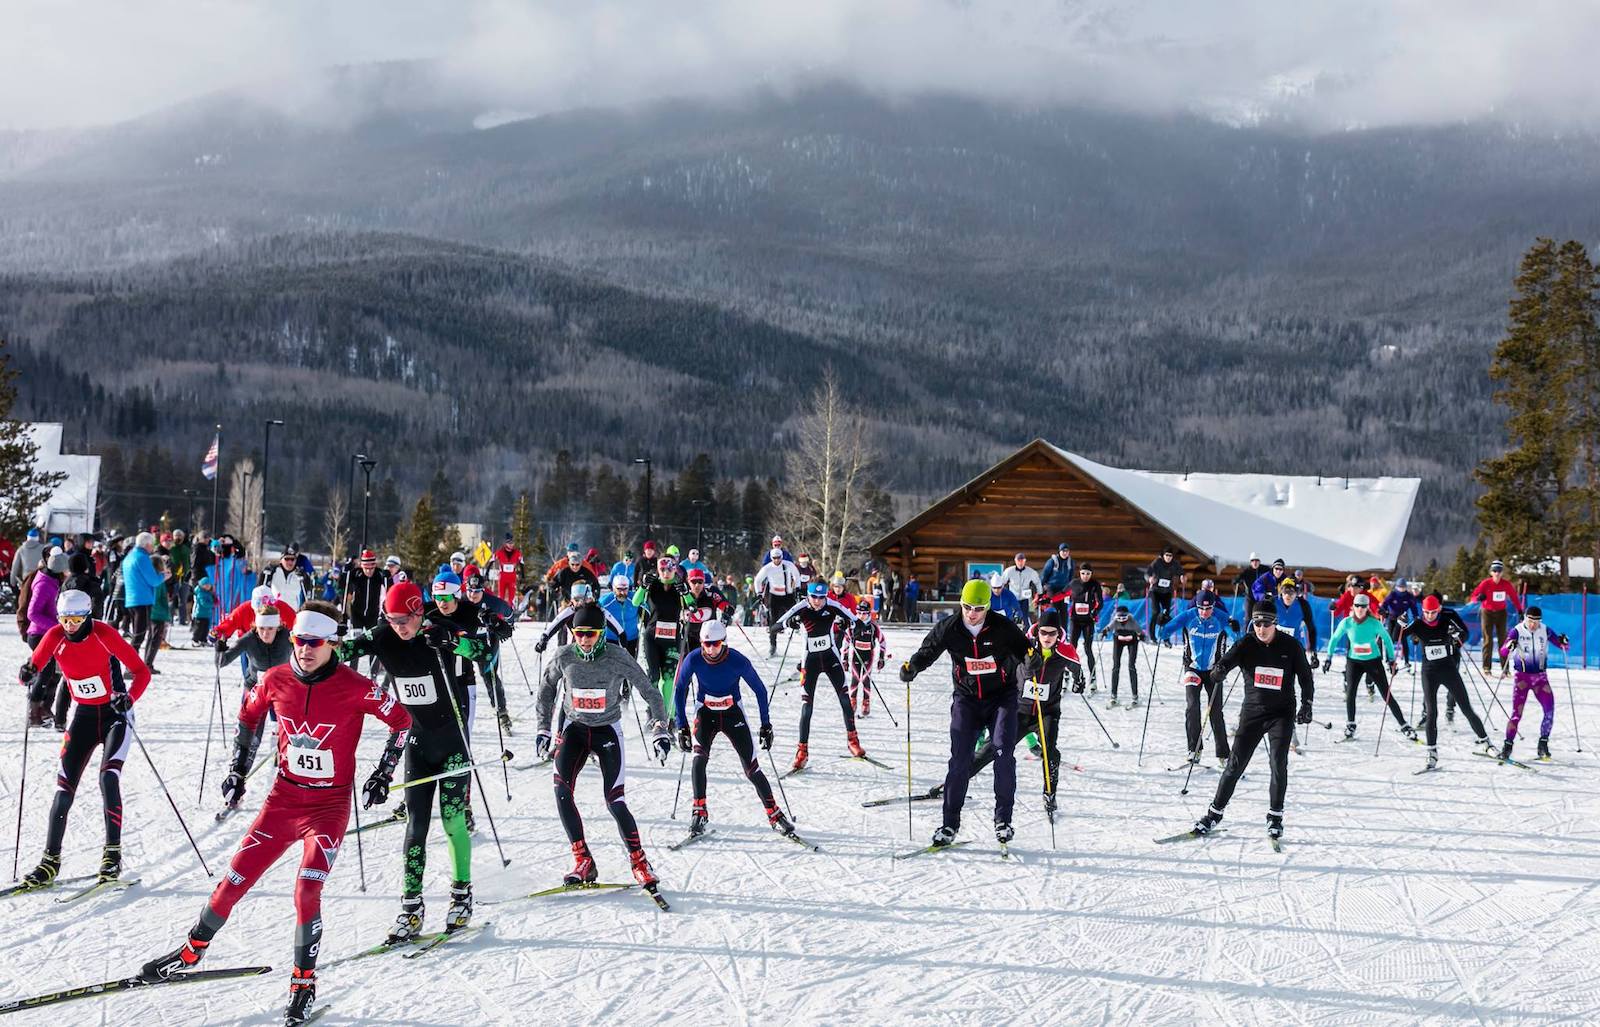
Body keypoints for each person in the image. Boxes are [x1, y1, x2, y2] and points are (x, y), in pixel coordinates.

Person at [141, 602, 410, 1026]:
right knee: (234, 879)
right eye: (299, 640)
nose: (304, 649)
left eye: (315, 642)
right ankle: (191, 952)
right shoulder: (274, 679)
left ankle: (303, 984)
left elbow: (402, 720)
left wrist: (383, 772)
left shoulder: (354, 686)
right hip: (282, 803)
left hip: (327, 809)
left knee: (306, 891)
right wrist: (237, 769)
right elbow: (248, 716)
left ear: (333, 643)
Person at [335, 582, 490, 945]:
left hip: (452, 742)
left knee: (453, 820)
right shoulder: (383, 636)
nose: (399, 627)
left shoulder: (441, 631)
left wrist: (455, 643)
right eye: (392, 620)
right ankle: (411, 907)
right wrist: (321, 648)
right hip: (417, 744)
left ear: (419, 613)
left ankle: (461, 895)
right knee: (415, 825)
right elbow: (343, 651)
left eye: (405, 620)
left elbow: (482, 651)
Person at [17, 589, 151, 889]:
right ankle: (50, 861)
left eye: (77, 619)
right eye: (65, 619)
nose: (71, 626)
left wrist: (129, 699)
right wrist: (26, 674)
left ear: (88, 615)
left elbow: (141, 672)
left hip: (116, 716)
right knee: (64, 786)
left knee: (108, 778)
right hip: (85, 717)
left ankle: (112, 855)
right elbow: (33, 666)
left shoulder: (104, 633)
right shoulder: (54, 635)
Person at [536, 604, 671, 888]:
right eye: (579, 633)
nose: (584, 640)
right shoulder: (564, 656)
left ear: (602, 633)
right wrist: (544, 728)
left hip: (607, 730)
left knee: (615, 800)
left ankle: (640, 862)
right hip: (575, 729)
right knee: (561, 791)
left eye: (591, 634)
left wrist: (660, 727)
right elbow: (547, 689)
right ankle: (583, 860)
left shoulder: (617, 657)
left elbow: (650, 691)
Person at [898, 577, 1032, 848]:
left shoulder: (1002, 627)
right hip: (967, 700)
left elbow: (1025, 650)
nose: (972, 614)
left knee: (1003, 753)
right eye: (968, 607)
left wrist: (1033, 657)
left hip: (1001, 698)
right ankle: (949, 824)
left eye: (979, 609)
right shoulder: (950, 627)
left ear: (987, 607)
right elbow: (928, 651)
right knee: (960, 760)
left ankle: (1003, 819)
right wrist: (912, 667)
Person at [1189, 601, 1314, 841]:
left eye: (1266, 623)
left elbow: (1306, 679)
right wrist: (1219, 670)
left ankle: (1275, 817)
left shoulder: (1291, 645)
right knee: (1235, 764)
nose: (1261, 628)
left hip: (1281, 713)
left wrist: (1307, 703)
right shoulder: (1246, 643)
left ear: (1275, 623)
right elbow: (1226, 661)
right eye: (1257, 623)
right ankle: (1214, 814)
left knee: (1278, 763)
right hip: (1253, 713)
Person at [940, 609, 1085, 813]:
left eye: (1052, 633)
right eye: (1043, 632)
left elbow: (1077, 669)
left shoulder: (1065, 651)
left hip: (1047, 712)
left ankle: (1049, 794)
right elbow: (999, 660)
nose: (1047, 637)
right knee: (991, 749)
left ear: (1058, 633)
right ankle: (953, 783)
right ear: (1037, 632)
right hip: (1019, 711)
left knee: (1050, 752)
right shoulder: (1023, 645)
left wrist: (1080, 683)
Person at [674, 619, 792, 836]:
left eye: (716, 644)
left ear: (724, 642)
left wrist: (766, 725)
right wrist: (681, 725)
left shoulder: (737, 661)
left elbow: (760, 691)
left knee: (751, 768)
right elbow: (679, 689)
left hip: (732, 714)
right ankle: (699, 812)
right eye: (706, 644)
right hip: (705, 713)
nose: (710, 649)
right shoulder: (694, 659)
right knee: (699, 759)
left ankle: (774, 813)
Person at [775, 581, 866, 769]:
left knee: (845, 700)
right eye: (813, 597)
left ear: (826, 596)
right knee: (807, 706)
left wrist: (847, 624)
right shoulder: (801, 607)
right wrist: (788, 623)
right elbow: (776, 625)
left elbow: (858, 624)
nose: (817, 601)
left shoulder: (833, 605)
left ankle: (853, 741)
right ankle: (802, 751)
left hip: (831, 659)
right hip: (810, 662)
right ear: (808, 596)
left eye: (821, 597)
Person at [1397, 595, 1492, 769]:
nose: (1430, 615)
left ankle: (1486, 743)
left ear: (1438, 610)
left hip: (1448, 669)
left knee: (1466, 708)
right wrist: (1400, 625)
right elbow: (1398, 636)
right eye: (1426, 612)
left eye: (1433, 612)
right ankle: (1432, 752)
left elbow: (1463, 637)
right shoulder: (1418, 623)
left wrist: (1457, 636)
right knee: (1432, 712)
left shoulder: (1447, 620)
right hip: (1429, 672)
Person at [216, 602, 294, 810]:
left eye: (270, 629)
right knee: (249, 739)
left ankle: (292, 787)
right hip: (256, 692)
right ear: (255, 627)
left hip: (282, 692)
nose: (266, 634)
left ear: (277, 627)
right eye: (261, 629)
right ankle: (236, 783)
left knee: (291, 735)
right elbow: (222, 662)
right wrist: (220, 649)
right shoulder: (249, 639)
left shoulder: (288, 637)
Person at [1323, 594, 1413, 741]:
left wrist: (1391, 660)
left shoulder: (1374, 623)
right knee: (1350, 693)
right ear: (1353, 606)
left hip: (1373, 661)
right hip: (1354, 662)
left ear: (1367, 608)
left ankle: (1403, 724)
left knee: (1386, 694)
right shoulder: (1347, 622)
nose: (1360, 609)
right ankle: (1350, 724)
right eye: (1357, 605)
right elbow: (1334, 639)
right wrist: (1328, 658)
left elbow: (1387, 640)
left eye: (1363, 606)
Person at [1161, 594, 1236, 766]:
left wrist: (1236, 627)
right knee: (1192, 706)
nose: (1204, 612)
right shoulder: (1188, 615)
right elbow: (1162, 632)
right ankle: (1194, 749)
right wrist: (1161, 622)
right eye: (1201, 608)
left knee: (1215, 712)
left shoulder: (1221, 617)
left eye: (1208, 608)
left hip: (1214, 672)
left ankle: (1223, 755)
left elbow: (1239, 638)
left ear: (1213, 607)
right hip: (1192, 668)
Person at [1497, 606, 1569, 762]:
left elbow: (1562, 645)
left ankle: (1543, 745)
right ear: (1525, 618)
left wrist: (1563, 642)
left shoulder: (1545, 630)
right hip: (1522, 679)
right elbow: (1503, 651)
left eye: (1536, 622)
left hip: (1540, 679)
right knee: (1517, 714)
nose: (1533, 625)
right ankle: (1507, 746)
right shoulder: (1516, 631)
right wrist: (1509, 646)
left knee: (1549, 710)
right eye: (1530, 621)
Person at [632, 557, 690, 709]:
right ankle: (653, 711)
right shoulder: (653, 585)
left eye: (670, 569)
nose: (666, 572)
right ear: (658, 569)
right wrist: (643, 586)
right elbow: (635, 602)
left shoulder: (679, 586)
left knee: (669, 678)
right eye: (662, 569)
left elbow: (692, 606)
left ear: (675, 569)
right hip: (652, 638)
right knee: (653, 678)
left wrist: (685, 592)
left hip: (672, 640)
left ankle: (669, 716)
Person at [121, 531, 169, 672]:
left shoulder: (129, 557)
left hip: (131, 598)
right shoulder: (142, 558)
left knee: (137, 634)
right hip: (142, 599)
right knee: (139, 635)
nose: (153, 547)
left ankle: (132, 666)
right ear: (147, 544)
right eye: (152, 544)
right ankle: (130, 667)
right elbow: (153, 580)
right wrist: (163, 577)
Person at [1468, 560, 1525, 673]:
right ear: (1491, 572)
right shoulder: (1486, 583)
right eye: (1494, 571)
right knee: (1488, 640)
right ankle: (1486, 667)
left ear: (1502, 572)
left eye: (1499, 571)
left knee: (1503, 640)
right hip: (1487, 612)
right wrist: (1479, 598)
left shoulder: (1506, 584)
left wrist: (1520, 610)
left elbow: (1514, 597)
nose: (1497, 573)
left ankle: (1505, 668)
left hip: (1501, 613)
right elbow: (1473, 596)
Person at [752, 548, 802, 656]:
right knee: (773, 621)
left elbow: (797, 575)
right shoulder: (768, 568)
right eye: (774, 558)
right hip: (774, 596)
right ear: (771, 558)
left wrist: (797, 588)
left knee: (797, 614)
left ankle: (803, 636)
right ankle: (773, 645)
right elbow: (758, 580)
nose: (776, 560)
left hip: (787, 595)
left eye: (778, 558)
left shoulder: (788, 565)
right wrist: (759, 593)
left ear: (782, 557)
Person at [842, 602, 886, 718]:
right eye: (859, 613)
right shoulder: (853, 624)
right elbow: (846, 641)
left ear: (869, 613)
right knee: (855, 679)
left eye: (864, 613)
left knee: (866, 679)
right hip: (856, 655)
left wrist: (881, 658)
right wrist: (845, 659)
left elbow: (882, 641)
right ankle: (853, 701)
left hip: (868, 655)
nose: (861, 616)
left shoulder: (873, 626)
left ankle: (866, 703)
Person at [1064, 563, 1104, 688]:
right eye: (1083, 573)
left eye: (1088, 574)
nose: (1085, 576)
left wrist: (1095, 612)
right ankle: (1067, 675)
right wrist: (1048, 598)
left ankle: (1093, 678)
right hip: (1075, 620)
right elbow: (1062, 593)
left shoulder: (1094, 584)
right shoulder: (1074, 583)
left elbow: (1100, 602)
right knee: (1071, 648)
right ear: (1079, 573)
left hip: (1088, 621)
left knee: (1087, 648)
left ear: (1091, 574)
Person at [1099, 605, 1147, 707]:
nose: (1121, 620)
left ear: (1128, 616)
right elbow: (1108, 627)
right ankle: (1113, 695)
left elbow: (1141, 632)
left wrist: (1142, 636)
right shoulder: (1115, 621)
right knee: (1116, 666)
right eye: (1119, 617)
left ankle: (1135, 696)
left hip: (1132, 642)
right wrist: (1103, 632)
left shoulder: (1132, 621)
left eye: (1124, 617)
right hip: (1118, 641)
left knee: (1131, 666)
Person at [344, 549, 390, 635]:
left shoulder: (379, 574)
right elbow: (343, 583)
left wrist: (388, 577)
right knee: (357, 639)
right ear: (362, 566)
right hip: (357, 613)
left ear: (375, 566)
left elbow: (390, 588)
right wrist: (345, 571)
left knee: (371, 639)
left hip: (373, 613)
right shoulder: (356, 574)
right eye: (366, 568)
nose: (369, 571)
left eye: (371, 568)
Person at [599, 574, 641, 656]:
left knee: (630, 663)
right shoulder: (605, 602)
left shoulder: (634, 599)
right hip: (611, 638)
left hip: (631, 638)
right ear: (613, 588)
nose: (622, 592)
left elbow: (647, 611)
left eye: (625, 589)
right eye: (619, 589)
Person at [262, 545, 313, 610]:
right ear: (281, 560)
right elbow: (260, 590)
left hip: (293, 613)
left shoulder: (299, 575)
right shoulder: (273, 572)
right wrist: (263, 574)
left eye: (292, 559)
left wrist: (305, 577)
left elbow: (308, 593)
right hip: (275, 614)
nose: (290, 562)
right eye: (287, 559)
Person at [1145, 546, 1185, 630]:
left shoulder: (1175, 564)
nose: (1168, 557)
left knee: (1166, 613)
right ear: (1163, 555)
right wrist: (1149, 579)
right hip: (1155, 591)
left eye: (1170, 555)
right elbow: (1147, 573)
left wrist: (1182, 577)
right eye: (1166, 555)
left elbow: (1181, 572)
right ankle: (1152, 636)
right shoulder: (1157, 562)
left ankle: (1165, 636)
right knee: (1156, 612)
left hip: (1167, 592)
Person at [1001, 552, 1042, 627]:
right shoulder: (1009, 571)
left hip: (1024, 598)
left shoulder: (1030, 572)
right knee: (1012, 616)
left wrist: (1039, 594)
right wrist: (1002, 594)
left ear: (1025, 561)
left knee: (1025, 616)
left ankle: (1025, 634)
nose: (1020, 563)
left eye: (1022, 561)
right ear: (1015, 561)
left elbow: (1037, 582)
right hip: (1013, 597)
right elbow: (1002, 582)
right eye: (1018, 561)